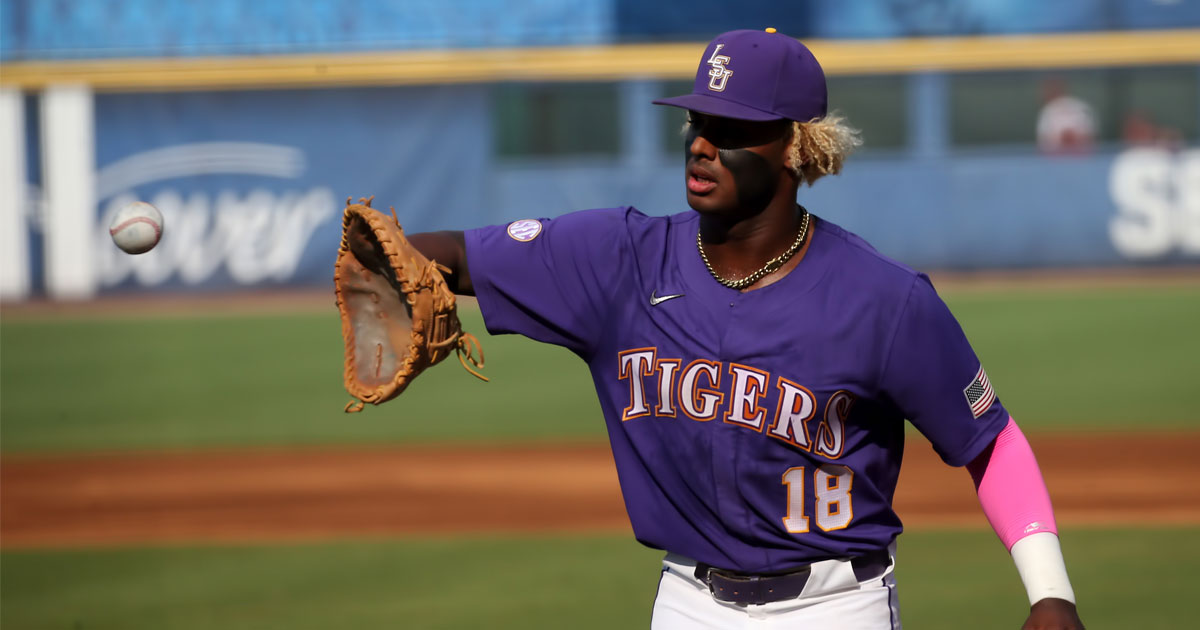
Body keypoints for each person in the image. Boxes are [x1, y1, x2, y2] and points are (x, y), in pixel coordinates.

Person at [376, 28, 1086, 629]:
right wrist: (388, 261)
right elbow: (460, 256)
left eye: (733, 128)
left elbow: (987, 441)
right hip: (689, 603)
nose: (703, 144)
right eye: (698, 122)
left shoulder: (882, 299)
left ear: (794, 146)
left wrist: (1050, 592)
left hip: (837, 606)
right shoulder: (617, 260)